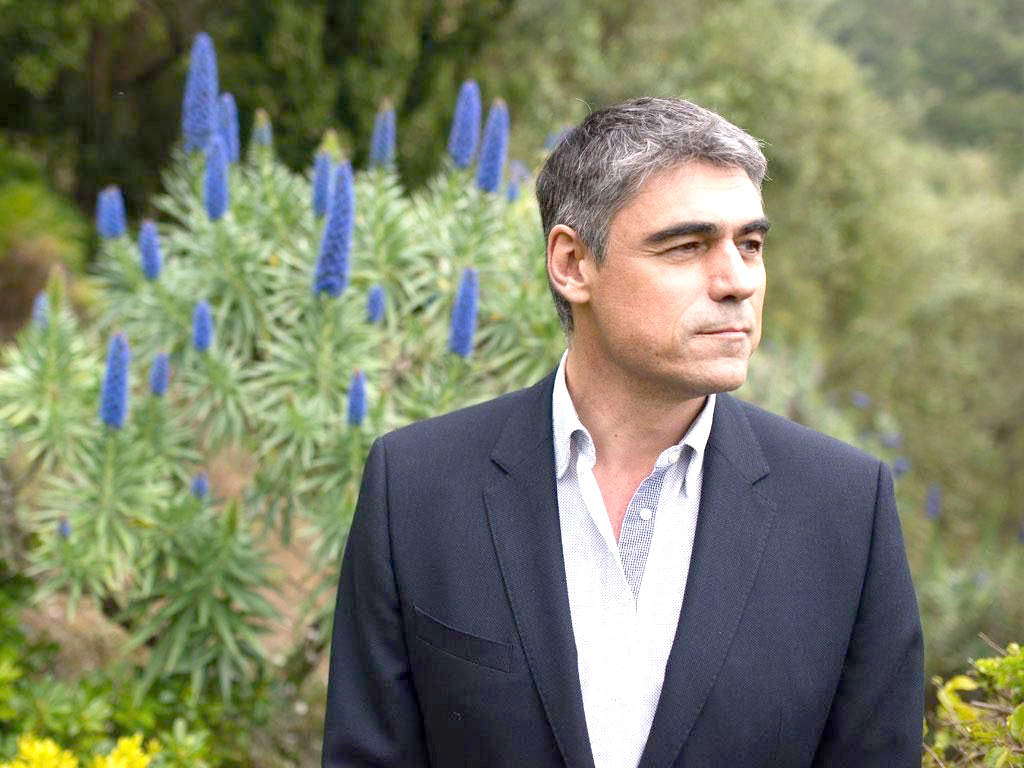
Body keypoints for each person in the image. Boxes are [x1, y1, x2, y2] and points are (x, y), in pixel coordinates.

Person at [322, 97, 924, 767]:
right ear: (572, 264)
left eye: (750, 245)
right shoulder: (416, 488)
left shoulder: (846, 509)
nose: (737, 282)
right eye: (687, 246)